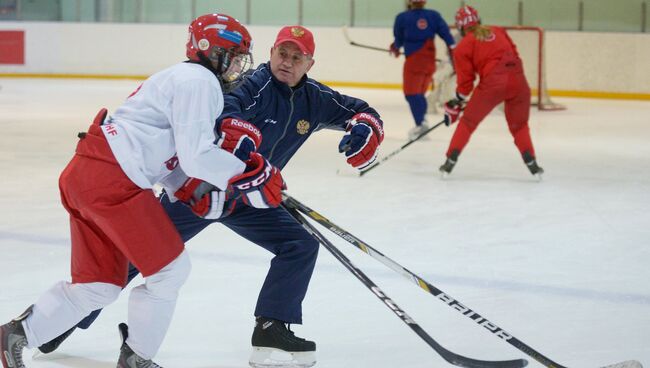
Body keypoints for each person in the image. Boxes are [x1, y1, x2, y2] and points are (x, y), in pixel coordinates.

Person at [35, 25, 384, 368]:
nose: (287, 62)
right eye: (282, 53)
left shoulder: (316, 99)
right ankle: (62, 320)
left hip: (249, 196)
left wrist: (365, 127)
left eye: (297, 57)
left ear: (310, 64)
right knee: (135, 258)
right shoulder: (253, 84)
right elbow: (226, 111)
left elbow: (361, 111)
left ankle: (271, 328)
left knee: (300, 245)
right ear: (272, 52)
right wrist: (236, 136)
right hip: (199, 189)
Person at [0, 13, 284, 368]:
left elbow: (166, 152)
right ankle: (137, 358)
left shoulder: (179, 78)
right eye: (236, 57)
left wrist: (189, 189)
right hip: (113, 181)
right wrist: (249, 171)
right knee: (170, 271)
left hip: (86, 175)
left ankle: (16, 333)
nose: (238, 68)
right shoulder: (199, 80)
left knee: (99, 286)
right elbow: (197, 156)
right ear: (214, 52)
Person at [439, 5, 544, 178]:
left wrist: (456, 100)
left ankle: (449, 161)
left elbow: (466, 83)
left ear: (460, 27)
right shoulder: (498, 30)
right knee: (519, 126)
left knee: (468, 123)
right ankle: (531, 163)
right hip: (519, 81)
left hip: (493, 85)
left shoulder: (463, 46)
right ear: (479, 20)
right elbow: (515, 54)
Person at [390, 0, 455, 140]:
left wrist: (394, 47)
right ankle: (422, 121)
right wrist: (452, 51)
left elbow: (398, 40)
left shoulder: (402, 17)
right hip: (429, 61)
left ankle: (421, 124)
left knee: (411, 94)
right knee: (419, 93)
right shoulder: (434, 16)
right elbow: (448, 37)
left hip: (414, 61)